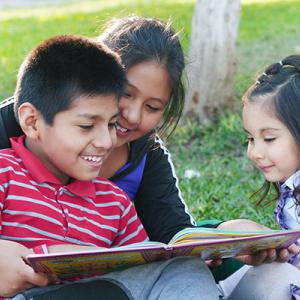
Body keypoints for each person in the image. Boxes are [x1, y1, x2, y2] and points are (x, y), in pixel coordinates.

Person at [1, 17, 300, 300]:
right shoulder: (13, 151)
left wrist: (226, 238)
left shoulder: (120, 193)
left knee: (185, 266)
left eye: (153, 106)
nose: (130, 117)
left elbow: (167, 238)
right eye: (126, 95)